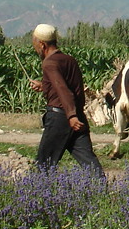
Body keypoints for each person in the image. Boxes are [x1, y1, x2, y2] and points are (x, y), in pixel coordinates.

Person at [28, 23, 104, 175]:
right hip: (77, 118)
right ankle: (101, 189)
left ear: (42, 44)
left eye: (35, 44)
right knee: (88, 161)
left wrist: (71, 116)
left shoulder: (48, 63)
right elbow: (67, 87)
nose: (35, 48)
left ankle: (39, 195)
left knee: (45, 164)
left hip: (60, 118)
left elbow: (63, 90)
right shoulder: (69, 60)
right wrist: (44, 86)